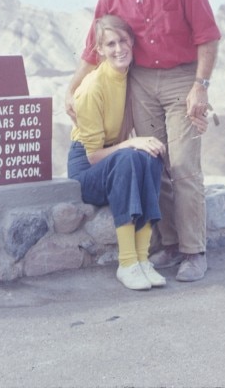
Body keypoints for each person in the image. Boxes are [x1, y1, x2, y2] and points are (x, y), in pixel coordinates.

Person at [66, 0, 221, 283]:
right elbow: (94, 47)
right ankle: (170, 244)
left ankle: (193, 252)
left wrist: (200, 86)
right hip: (141, 82)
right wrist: (71, 89)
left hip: (181, 77)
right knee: (157, 161)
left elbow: (208, 36)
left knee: (183, 166)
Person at [68, 14, 168, 291]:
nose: (119, 49)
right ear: (99, 50)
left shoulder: (130, 78)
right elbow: (93, 156)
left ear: (132, 42)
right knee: (129, 156)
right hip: (88, 170)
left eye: (123, 41)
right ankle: (127, 263)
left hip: (117, 160)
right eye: (110, 44)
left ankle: (142, 259)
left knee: (151, 155)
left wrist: (136, 146)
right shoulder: (92, 88)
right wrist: (130, 143)